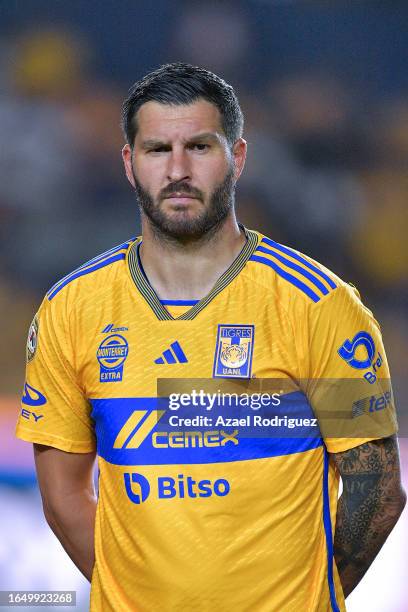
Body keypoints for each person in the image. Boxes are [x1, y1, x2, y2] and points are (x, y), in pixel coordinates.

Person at [16, 63, 405, 612]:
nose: (178, 169)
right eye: (157, 150)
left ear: (238, 158)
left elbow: (378, 492)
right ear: (130, 164)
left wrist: (306, 598)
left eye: (199, 147)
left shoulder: (320, 305)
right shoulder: (71, 309)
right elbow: (62, 495)